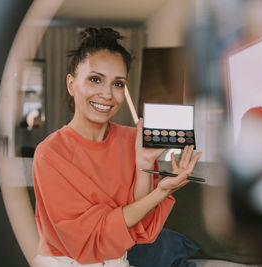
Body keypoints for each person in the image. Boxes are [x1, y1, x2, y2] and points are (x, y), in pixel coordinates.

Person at [32, 27, 202, 267]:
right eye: (95, 79)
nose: (107, 94)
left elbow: (136, 223)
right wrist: (161, 191)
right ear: (71, 84)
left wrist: (143, 164)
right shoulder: (50, 153)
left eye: (118, 84)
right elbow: (90, 238)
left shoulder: (133, 140)